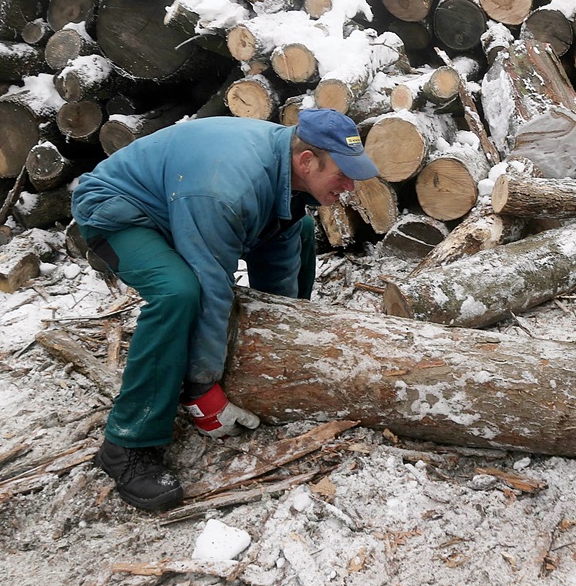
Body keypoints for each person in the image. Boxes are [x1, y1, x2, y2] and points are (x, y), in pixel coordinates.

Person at [71, 108, 379, 511]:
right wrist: (202, 387)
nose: (350, 187)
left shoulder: (287, 166)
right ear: (308, 161)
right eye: (343, 174)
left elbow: (281, 253)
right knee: (178, 291)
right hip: (121, 212)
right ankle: (128, 443)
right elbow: (210, 283)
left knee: (301, 229)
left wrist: (284, 334)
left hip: (185, 201)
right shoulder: (227, 187)